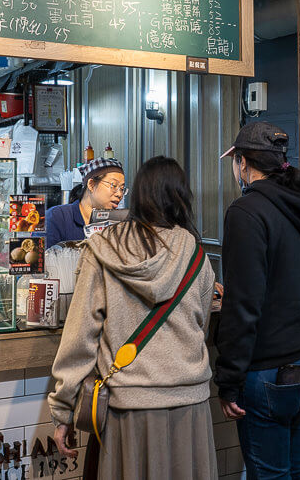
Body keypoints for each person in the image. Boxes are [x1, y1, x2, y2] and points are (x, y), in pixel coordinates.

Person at [47, 156, 217, 480]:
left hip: (129, 410)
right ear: (182, 196)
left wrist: (63, 410)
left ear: (138, 194)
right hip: (190, 407)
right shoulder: (196, 253)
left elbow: (81, 336)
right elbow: (201, 324)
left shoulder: (105, 248)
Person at [215, 121, 300, 480]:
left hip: (271, 371)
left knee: (270, 475)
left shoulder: (246, 212)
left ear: (244, 163)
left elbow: (243, 305)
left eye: (235, 162)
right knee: (298, 467)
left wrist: (228, 379)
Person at [46, 158, 126, 247]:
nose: (119, 194)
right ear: (91, 184)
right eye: (113, 185)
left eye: (122, 189)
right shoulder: (57, 217)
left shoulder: (116, 223)